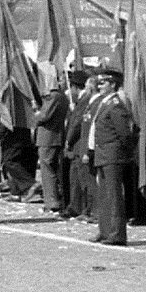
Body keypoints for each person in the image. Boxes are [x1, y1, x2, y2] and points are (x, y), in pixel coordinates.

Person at [87, 67, 135, 246]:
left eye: (103, 82)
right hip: (103, 154)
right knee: (104, 195)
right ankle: (105, 230)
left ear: (113, 84)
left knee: (114, 195)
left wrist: (123, 153)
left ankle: (116, 234)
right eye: (99, 82)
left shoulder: (115, 105)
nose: (100, 86)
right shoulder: (104, 102)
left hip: (112, 155)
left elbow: (124, 133)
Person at [61, 70, 93, 220]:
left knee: (80, 178)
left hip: (79, 144)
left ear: (75, 87)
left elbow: (77, 123)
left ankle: (81, 208)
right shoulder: (81, 101)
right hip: (77, 146)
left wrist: (68, 140)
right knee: (75, 177)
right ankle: (76, 206)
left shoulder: (85, 100)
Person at [34, 79, 69, 214]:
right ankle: (53, 199)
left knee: (47, 170)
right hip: (52, 137)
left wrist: (36, 111)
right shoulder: (60, 96)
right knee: (51, 169)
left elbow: (43, 116)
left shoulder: (55, 96)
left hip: (49, 137)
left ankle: (51, 201)